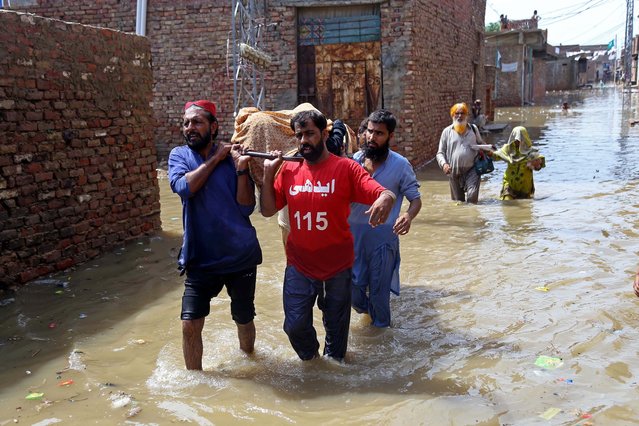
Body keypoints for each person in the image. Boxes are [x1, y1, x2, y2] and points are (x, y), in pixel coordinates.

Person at [260, 109, 396, 362]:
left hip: (337, 266)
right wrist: (269, 174)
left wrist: (387, 197)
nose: (303, 141)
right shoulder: (289, 170)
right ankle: (313, 363)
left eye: (309, 134)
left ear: (323, 134)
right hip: (300, 265)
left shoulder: (345, 168)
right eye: (298, 136)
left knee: (336, 335)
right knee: (294, 326)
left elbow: (378, 191)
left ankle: (334, 377)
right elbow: (267, 210)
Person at [168, 100, 263, 370]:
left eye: (197, 122)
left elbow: (246, 207)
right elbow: (185, 188)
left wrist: (241, 167)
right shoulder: (178, 156)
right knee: (189, 324)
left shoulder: (233, 158)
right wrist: (216, 158)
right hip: (201, 257)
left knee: (243, 318)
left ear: (213, 126)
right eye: (186, 123)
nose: (190, 128)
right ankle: (195, 382)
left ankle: (250, 363)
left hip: (239, 255)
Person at [349, 109, 422, 328]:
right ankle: (367, 312)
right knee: (353, 296)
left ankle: (381, 345)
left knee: (380, 301)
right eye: (369, 132)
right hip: (352, 241)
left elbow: (416, 199)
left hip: (383, 242)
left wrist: (408, 216)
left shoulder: (401, 165)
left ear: (390, 137)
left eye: (379, 133)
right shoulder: (353, 162)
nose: (372, 138)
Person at [436, 102, 485, 204]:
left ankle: (472, 218)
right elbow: (440, 152)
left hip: (472, 169)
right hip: (453, 171)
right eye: (456, 113)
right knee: (458, 202)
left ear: (466, 115)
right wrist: (444, 164)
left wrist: (488, 149)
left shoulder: (473, 129)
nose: (459, 116)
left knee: (472, 198)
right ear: (453, 115)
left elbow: (481, 143)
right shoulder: (446, 132)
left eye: (462, 113)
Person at [488, 126, 545, 200]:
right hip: (509, 183)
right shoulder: (507, 149)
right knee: (507, 202)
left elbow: (539, 166)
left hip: (525, 186)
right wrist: (489, 153)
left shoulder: (532, 151)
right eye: (516, 139)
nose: (517, 142)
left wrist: (536, 164)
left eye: (520, 139)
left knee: (525, 207)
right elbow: (496, 156)